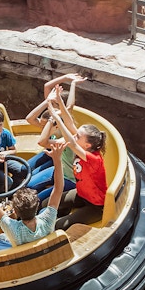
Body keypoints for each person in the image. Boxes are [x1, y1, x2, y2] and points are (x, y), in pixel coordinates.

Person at [0, 141, 66, 251]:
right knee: (44, 210)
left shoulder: (12, 227)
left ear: (15, 212)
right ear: (36, 206)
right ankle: (4, 238)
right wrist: (57, 159)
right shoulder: (47, 220)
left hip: (20, 252)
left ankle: (4, 239)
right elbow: (58, 188)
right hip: (42, 248)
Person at [45, 96, 108, 230]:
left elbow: (72, 142)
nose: (75, 135)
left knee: (59, 225)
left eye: (78, 136)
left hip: (95, 205)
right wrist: (60, 102)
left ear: (87, 145)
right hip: (81, 194)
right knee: (47, 203)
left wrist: (56, 119)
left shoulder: (94, 158)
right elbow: (69, 124)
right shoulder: (83, 146)